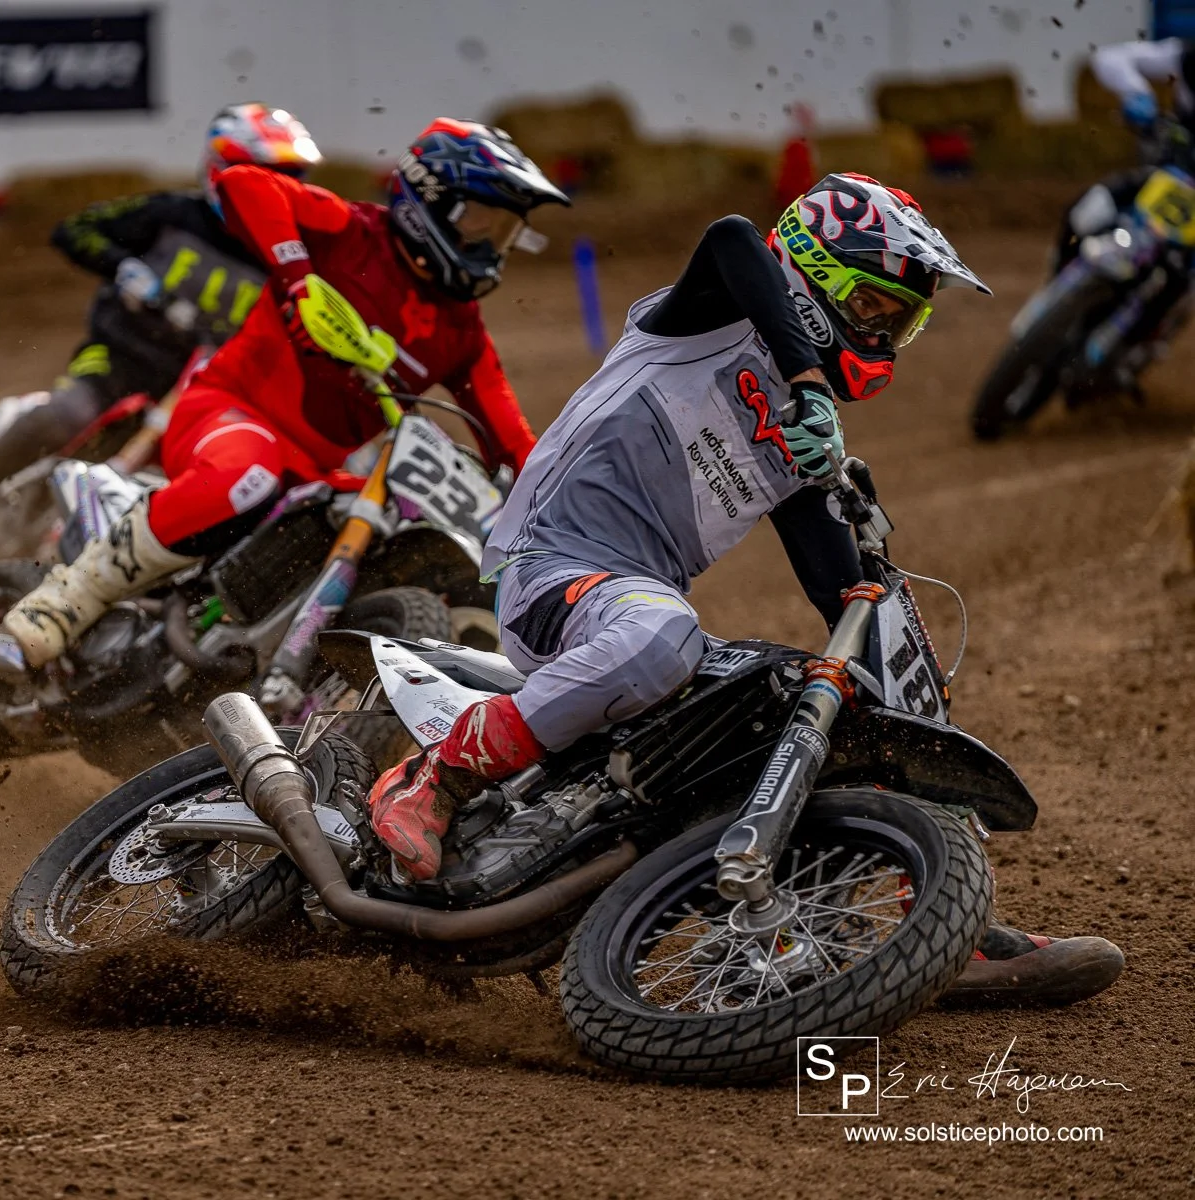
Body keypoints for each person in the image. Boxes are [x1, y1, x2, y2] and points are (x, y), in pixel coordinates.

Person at [366, 172, 1126, 1007]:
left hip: (627, 606)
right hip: (552, 569)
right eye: (872, 308)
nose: (881, 336)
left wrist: (887, 656)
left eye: (899, 323)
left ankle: (919, 923)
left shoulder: (798, 444)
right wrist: (809, 384)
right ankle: (437, 777)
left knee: (800, 704)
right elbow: (731, 236)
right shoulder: (706, 320)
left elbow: (840, 594)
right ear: (812, 277)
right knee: (666, 635)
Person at [2, 118, 569, 670]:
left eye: (505, 232)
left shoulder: (462, 333)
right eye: (482, 222)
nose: (492, 247)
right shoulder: (350, 230)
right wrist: (298, 278)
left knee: (397, 527)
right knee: (249, 473)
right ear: (431, 202)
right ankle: (70, 596)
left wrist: (566, 522)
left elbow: (517, 444)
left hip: (311, 473)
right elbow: (242, 183)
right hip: (228, 410)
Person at [0, 103, 324, 546]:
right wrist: (126, 268)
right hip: (120, 359)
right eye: (269, 174)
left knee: (228, 477)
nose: (280, 188)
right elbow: (76, 229)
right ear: (220, 171)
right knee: (64, 415)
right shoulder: (172, 215)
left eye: (292, 176)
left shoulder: (289, 258)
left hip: (209, 393)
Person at [1051, 37, 1195, 274]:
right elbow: (1109, 58)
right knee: (1085, 212)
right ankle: (1057, 278)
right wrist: (1136, 91)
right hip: (1167, 180)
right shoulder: (1185, 56)